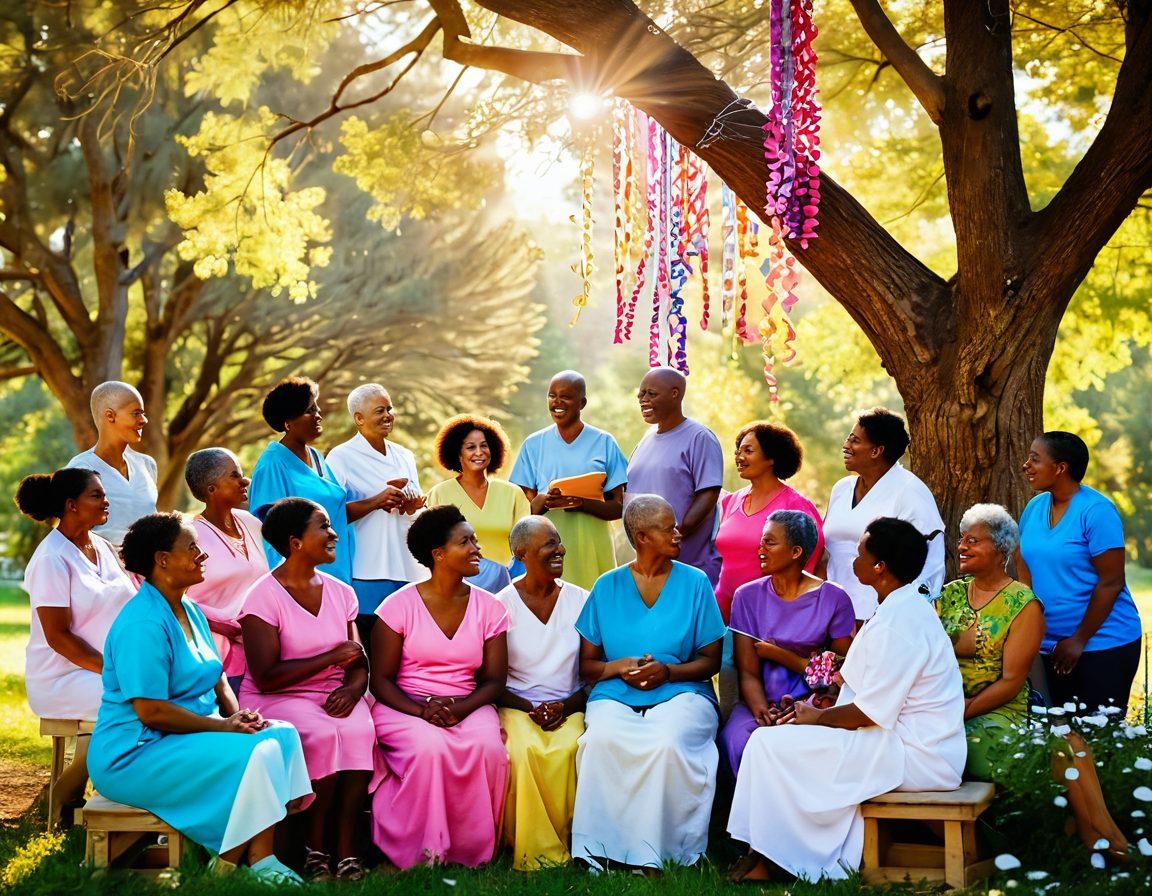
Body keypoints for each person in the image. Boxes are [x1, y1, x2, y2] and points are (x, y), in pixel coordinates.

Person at [727, 517, 965, 883]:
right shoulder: (895, 608)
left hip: (916, 752)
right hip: (888, 737)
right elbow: (866, 690)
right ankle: (767, 851)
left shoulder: (899, 623)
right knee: (767, 744)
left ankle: (785, 855)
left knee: (768, 746)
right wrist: (817, 706)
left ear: (880, 567)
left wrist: (815, 719)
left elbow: (870, 712)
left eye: (860, 554)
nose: (853, 561)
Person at [87, 513, 311, 883]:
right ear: (162, 560)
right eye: (191, 547)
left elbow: (217, 675)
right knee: (258, 751)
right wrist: (224, 727)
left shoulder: (188, 608)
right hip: (136, 752)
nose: (201, 554)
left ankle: (255, 861)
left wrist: (241, 718)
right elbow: (151, 710)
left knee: (281, 734)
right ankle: (233, 864)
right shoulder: (143, 623)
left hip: (188, 737)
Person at [939, 503, 1128, 859]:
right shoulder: (948, 595)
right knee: (1068, 745)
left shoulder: (1023, 604)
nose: (962, 547)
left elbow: (1011, 682)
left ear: (1002, 551)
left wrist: (961, 712)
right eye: (962, 540)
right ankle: (1095, 838)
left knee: (1068, 745)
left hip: (994, 712)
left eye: (973, 541)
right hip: (941, 712)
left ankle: (1091, 837)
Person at [571, 495, 726, 870]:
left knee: (666, 742)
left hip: (684, 694)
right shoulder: (607, 586)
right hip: (615, 695)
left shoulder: (695, 583)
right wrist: (620, 666)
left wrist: (668, 672)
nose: (678, 533)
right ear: (641, 537)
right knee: (600, 741)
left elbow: (711, 660)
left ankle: (662, 852)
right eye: (667, 528)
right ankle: (599, 851)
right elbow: (588, 666)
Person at [239, 499, 374, 881]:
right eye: (324, 526)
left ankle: (347, 846)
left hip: (334, 692)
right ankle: (314, 848)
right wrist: (330, 657)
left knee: (359, 728)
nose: (334, 534)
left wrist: (352, 690)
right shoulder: (262, 597)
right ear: (296, 542)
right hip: (277, 697)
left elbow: (358, 660)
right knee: (320, 732)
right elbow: (266, 676)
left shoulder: (341, 591)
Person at [368, 505, 510, 869]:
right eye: (466, 541)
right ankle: (422, 850)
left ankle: (472, 851)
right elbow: (381, 679)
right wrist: (422, 710)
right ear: (439, 554)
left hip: (468, 701)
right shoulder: (396, 607)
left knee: (488, 749)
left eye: (475, 539)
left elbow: (494, 680)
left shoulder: (490, 608)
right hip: (405, 704)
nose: (477, 548)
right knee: (429, 748)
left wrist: (460, 709)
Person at [16, 468, 136, 824]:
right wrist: (112, 670)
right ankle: (65, 798)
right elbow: (59, 637)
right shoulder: (52, 558)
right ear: (71, 505)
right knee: (131, 699)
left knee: (147, 692)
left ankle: (116, 799)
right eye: (96, 496)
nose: (106, 501)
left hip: (105, 669)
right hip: (63, 676)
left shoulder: (100, 546)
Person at [719, 510, 854, 776]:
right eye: (761, 541)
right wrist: (762, 712)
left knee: (806, 749)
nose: (760, 549)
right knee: (736, 742)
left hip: (813, 705)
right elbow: (747, 672)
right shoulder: (747, 596)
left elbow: (840, 671)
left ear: (795, 552)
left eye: (770, 542)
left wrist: (810, 706)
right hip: (758, 702)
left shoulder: (834, 599)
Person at [1017, 431, 1143, 713]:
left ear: (1060, 468)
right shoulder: (1034, 507)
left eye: (1035, 459)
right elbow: (1023, 562)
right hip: (1047, 646)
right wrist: (1031, 623)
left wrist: (1078, 640)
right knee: (1055, 740)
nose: (1026, 465)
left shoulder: (1096, 511)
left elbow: (1111, 582)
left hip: (1102, 644)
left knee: (1097, 740)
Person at [494, 516, 589, 871]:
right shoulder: (500, 605)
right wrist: (531, 707)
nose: (559, 549)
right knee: (522, 749)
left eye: (558, 541)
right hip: (517, 705)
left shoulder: (582, 600)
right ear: (522, 553)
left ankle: (574, 840)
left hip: (571, 702)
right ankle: (530, 846)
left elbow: (593, 670)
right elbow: (492, 678)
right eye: (549, 543)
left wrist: (564, 706)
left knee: (574, 746)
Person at [821, 408, 945, 620]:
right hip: (833, 613)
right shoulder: (842, 488)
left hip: (880, 615)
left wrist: (897, 614)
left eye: (854, 441)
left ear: (876, 451)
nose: (846, 446)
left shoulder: (911, 492)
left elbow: (930, 564)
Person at [509, 371, 627, 590]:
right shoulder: (533, 444)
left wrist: (581, 503)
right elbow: (520, 514)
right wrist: (544, 500)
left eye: (566, 396)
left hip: (593, 546)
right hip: (544, 550)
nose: (557, 402)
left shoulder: (604, 442)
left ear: (582, 402)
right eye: (552, 395)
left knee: (595, 610)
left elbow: (620, 507)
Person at [325, 384, 425, 640]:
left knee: (406, 650)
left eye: (389, 409)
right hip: (367, 570)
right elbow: (330, 516)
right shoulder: (341, 457)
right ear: (358, 418)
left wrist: (413, 507)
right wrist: (376, 501)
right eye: (379, 410)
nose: (388, 415)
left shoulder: (404, 455)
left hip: (407, 568)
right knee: (371, 648)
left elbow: (414, 514)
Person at [715, 421, 824, 622]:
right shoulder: (731, 501)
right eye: (738, 451)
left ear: (771, 458)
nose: (739, 457)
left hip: (770, 616)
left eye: (748, 451)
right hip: (722, 613)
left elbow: (810, 561)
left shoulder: (795, 505)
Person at [249, 377, 355, 583]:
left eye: (317, 409)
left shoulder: (317, 457)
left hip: (336, 571)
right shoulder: (272, 463)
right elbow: (273, 528)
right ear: (288, 423)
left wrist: (380, 501)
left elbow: (337, 512)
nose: (319, 416)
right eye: (310, 411)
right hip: (299, 580)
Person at [626, 367, 723, 585]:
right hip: (647, 566)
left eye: (652, 394)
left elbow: (709, 493)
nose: (643, 400)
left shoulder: (700, 437)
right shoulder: (646, 439)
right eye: (641, 394)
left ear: (675, 394)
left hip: (687, 564)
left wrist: (674, 534)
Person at [184, 449, 269, 689]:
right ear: (212, 489)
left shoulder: (251, 522)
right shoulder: (190, 536)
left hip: (262, 649)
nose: (245, 481)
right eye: (234, 476)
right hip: (216, 655)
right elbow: (175, 598)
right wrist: (225, 626)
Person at [427, 413, 530, 576]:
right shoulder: (439, 494)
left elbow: (527, 544)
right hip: (457, 584)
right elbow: (432, 547)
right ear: (458, 453)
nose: (479, 452)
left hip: (505, 583)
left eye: (484, 446)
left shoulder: (513, 494)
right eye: (470, 447)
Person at [66, 381, 157, 545]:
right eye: (136, 413)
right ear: (110, 416)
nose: (144, 420)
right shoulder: (80, 469)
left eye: (143, 413)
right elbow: (72, 533)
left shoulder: (147, 465)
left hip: (150, 568)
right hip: (104, 568)